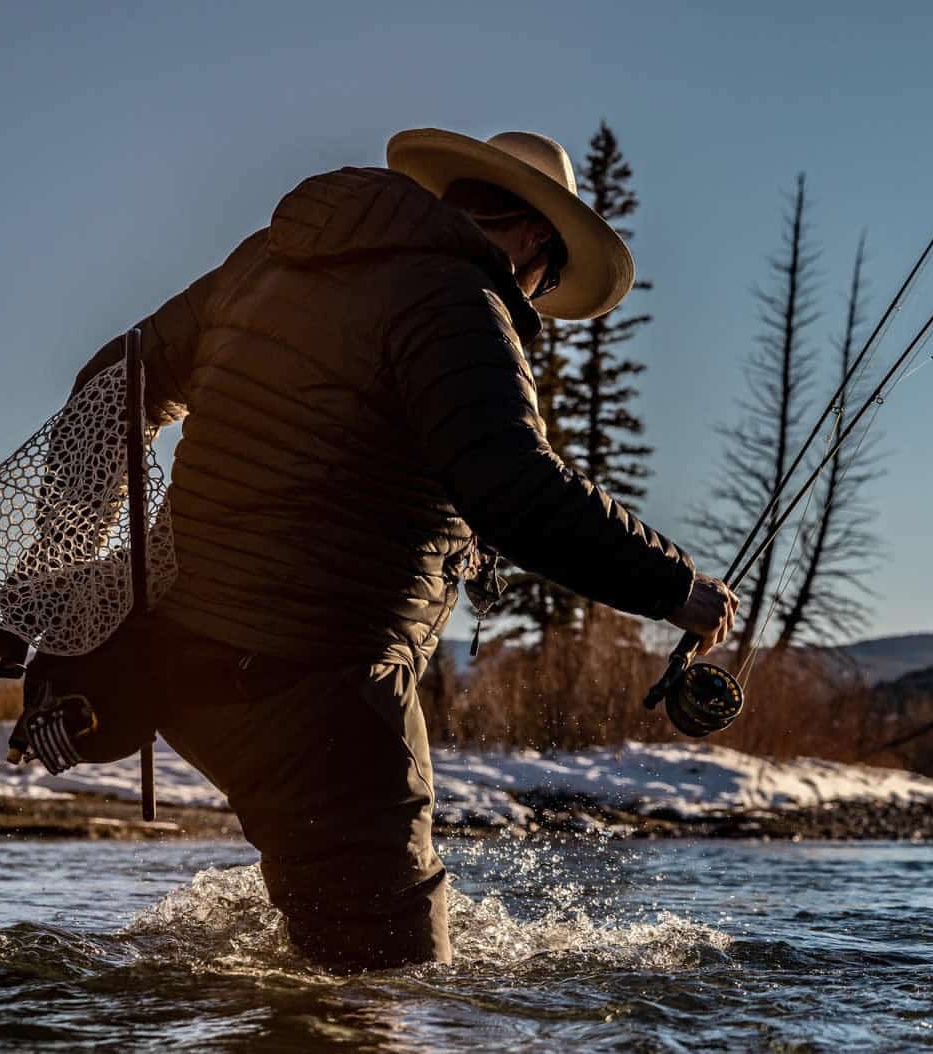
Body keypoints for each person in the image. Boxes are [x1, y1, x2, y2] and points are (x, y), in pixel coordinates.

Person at [59, 129, 737, 971]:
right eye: (551, 276)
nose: (540, 294)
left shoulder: (268, 261)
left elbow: (107, 386)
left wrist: (78, 580)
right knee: (391, 977)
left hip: (183, 672)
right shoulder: (455, 298)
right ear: (531, 240)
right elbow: (515, 489)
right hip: (320, 695)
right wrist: (673, 585)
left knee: (325, 962)